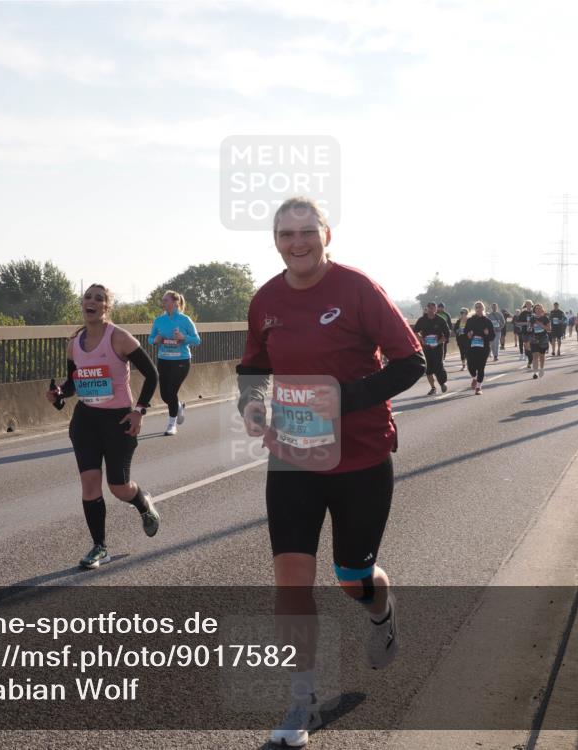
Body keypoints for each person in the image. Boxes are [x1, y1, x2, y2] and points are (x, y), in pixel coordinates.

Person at [236, 197, 425, 748]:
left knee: (351, 578)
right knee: (290, 580)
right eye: (285, 234)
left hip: (362, 457)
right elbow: (253, 366)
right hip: (294, 455)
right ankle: (303, 701)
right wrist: (252, 404)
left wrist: (347, 399)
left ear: (326, 235)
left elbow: (411, 361)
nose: (297, 243)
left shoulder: (357, 289)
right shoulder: (266, 299)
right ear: (275, 240)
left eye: (306, 232)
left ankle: (381, 607)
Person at [47, 284, 161, 569]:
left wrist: (139, 411)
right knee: (89, 484)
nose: (92, 302)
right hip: (85, 420)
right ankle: (100, 547)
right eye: (88, 297)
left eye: (100, 299)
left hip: (118, 420)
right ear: (83, 304)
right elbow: (74, 382)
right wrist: (60, 393)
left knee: (119, 488)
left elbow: (151, 374)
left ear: (107, 307)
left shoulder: (119, 338)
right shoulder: (74, 343)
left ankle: (142, 502)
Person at [150, 290, 201, 436]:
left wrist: (183, 337)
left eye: (165, 300)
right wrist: (155, 340)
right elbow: (151, 338)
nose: (163, 303)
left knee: (172, 392)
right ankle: (178, 406)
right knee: (165, 395)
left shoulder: (185, 320)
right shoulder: (159, 320)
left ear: (175, 302)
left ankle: (171, 425)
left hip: (181, 361)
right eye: (163, 300)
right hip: (163, 360)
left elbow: (197, 340)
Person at [413, 302, 450, 395]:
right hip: (426, 347)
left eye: (433, 308)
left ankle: (442, 383)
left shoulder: (440, 320)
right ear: (427, 308)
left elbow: (446, 335)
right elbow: (415, 332)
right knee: (428, 368)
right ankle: (433, 388)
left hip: (437, 347)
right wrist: (421, 340)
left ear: (436, 309)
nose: (431, 309)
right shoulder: (422, 320)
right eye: (429, 307)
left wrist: (437, 343)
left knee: (438, 365)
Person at [465, 301, 495, 394]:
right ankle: (474, 378)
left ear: (483, 309)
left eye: (480, 307)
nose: (478, 309)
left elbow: (492, 336)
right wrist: (468, 334)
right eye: (476, 307)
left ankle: (478, 387)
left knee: (481, 367)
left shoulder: (487, 321)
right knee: (470, 366)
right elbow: (466, 332)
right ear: (475, 309)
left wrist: (487, 334)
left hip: (484, 348)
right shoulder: (470, 320)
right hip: (472, 347)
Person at [529, 303, 551, 378]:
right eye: (536, 308)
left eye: (539, 308)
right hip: (534, 338)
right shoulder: (532, 318)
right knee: (535, 355)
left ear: (542, 309)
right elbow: (529, 328)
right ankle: (535, 372)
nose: (538, 310)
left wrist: (540, 324)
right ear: (534, 309)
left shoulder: (545, 318)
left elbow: (549, 329)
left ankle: (541, 369)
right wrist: (530, 328)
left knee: (542, 355)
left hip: (543, 338)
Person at [515, 301, 534, 366]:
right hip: (524, 331)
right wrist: (526, 323)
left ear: (532, 305)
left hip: (532, 332)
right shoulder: (523, 313)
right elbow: (518, 323)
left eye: (530, 304)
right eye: (527, 304)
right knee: (526, 347)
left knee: (529, 345)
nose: (528, 305)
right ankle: (530, 358)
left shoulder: (534, 312)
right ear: (525, 305)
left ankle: (530, 361)